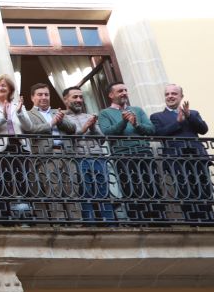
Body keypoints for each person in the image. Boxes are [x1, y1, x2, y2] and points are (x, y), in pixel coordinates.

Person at [98, 83, 163, 225]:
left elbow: (151, 129)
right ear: (111, 95)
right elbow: (108, 132)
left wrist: (136, 125)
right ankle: (138, 223)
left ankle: (159, 222)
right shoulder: (104, 113)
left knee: (153, 187)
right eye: (120, 91)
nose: (124, 93)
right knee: (131, 189)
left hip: (144, 154)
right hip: (123, 156)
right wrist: (123, 121)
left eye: (125, 90)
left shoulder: (137, 110)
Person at [151, 84, 213, 225]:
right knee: (185, 191)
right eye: (167, 94)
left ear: (181, 96)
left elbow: (203, 129)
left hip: (197, 157)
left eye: (174, 93)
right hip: (176, 159)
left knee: (204, 190)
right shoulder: (157, 116)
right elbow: (158, 134)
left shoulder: (193, 113)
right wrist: (178, 123)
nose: (170, 96)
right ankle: (193, 223)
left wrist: (189, 116)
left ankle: (209, 222)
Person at [0, 74, 33, 223]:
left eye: (3, 85)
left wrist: (21, 112)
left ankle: (27, 218)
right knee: (5, 182)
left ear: (10, 89)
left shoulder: (18, 106)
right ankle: (8, 217)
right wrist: (3, 116)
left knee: (23, 181)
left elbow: (29, 127)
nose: (0, 88)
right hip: (2, 148)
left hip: (20, 146)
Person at [60, 86, 114, 224]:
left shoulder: (89, 116)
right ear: (65, 100)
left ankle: (109, 223)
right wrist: (85, 129)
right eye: (75, 97)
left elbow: (102, 139)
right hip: (78, 158)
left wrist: (93, 127)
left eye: (81, 97)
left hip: (97, 157)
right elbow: (67, 140)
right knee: (85, 191)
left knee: (103, 189)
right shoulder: (62, 118)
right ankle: (90, 223)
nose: (79, 100)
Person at [22, 83, 75, 220]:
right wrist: (51, 124)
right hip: (46, 157)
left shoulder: (58, 112)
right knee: (54, 191)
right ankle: (60, 225)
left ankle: (77, 223)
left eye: (46, 94)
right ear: (32, 98)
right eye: (40, 94)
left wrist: (60, 120)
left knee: (72, 191)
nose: (44, 97)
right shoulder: (28, 114)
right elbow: (30, 129)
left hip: (66, 155)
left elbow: (73, 128)